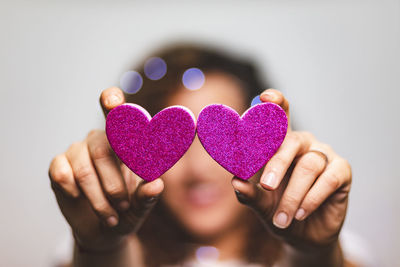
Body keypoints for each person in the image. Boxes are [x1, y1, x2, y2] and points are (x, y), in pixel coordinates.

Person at [48, 44, 354, 267]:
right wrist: (100, 251)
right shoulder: (84, 252)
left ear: (267, 142)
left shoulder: (342, 251)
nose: (198, 171)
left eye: (219, 139)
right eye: (175, 142)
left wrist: (316, 255)